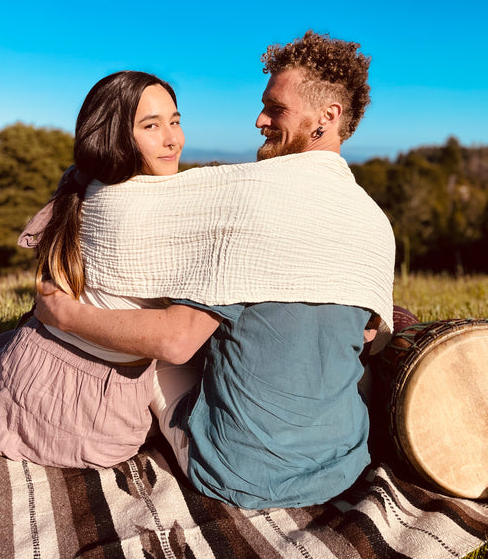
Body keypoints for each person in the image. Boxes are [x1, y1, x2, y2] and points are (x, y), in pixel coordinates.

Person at [35, 30, 396, 509]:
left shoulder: (248, 199)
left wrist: (61, 313)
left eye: (275, 108)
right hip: (345, 460)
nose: (259, 119)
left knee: (145, 330)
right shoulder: (372, 219)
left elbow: (176, 341)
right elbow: (374, 334)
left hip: (240, 472)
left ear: (326, 117)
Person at [0, 70, 185, 468]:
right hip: (92, 423)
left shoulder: (83, 186)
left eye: (175, 121)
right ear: (115, 135)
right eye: (151, 125)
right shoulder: (157, 206)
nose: (172, 139)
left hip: (28, 365)